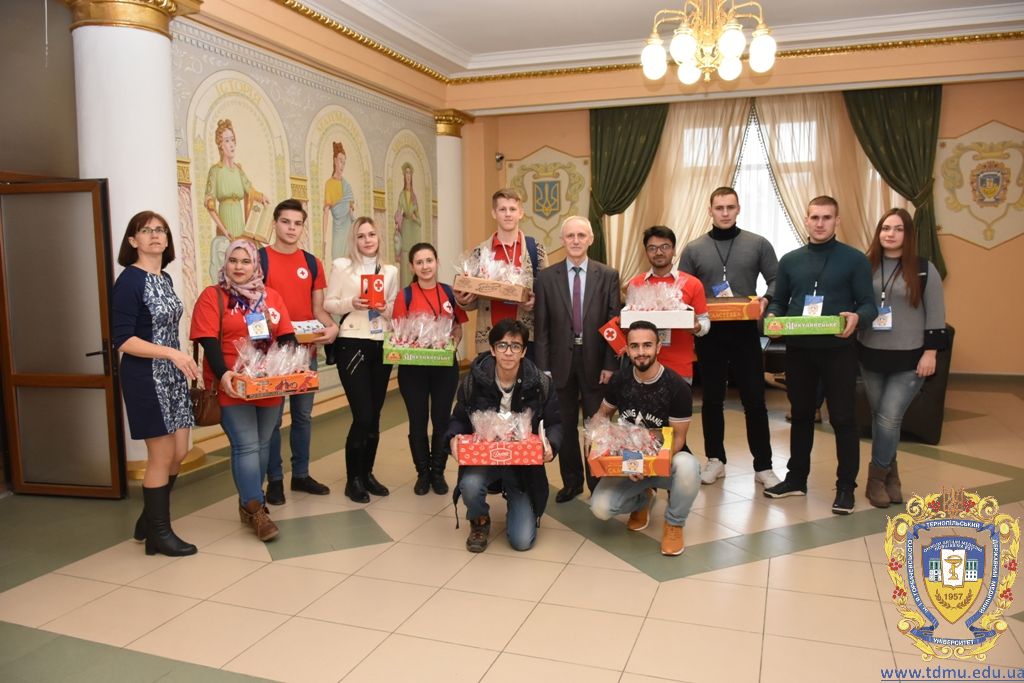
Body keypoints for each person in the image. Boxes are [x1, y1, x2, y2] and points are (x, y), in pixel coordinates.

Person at [764, 196, 876, 514]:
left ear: (837, 221)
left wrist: (857, 318)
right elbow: (779, 302)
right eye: (814, 217)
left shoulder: (855, 260)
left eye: (827, 217)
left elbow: (869, 305)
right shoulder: (790, 260)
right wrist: (772, 318)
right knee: (801, 415)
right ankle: (796, 479)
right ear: (806, 220)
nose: (820, 223)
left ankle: (845, 487)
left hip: (839, 351)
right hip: (799, 351)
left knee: (843, 418)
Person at [190, 240, 297, 542]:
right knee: (247, 445)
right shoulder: (213, 296)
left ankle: (249, 502)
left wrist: (292, 363)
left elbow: (287, 336)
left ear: (255, 265)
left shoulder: (271, 297)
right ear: (225, 263)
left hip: (267, 384)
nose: (239, 266)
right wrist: (224, 374)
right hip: (231, 385)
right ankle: (256, 508)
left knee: (263, 444)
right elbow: (208, 341)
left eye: (245, 261)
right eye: (233, 260)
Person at [678, 187, 781, 487]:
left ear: (738, 209)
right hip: (709, 333)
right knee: (712, 400)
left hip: (746, 332)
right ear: (710, 210)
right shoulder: (694, 248)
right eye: (719, 207)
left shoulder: (758, 243)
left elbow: (776, 279)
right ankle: (715, 459)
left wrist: (767, 299)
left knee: (754, 399)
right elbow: (682, 288)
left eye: (730, 207)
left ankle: (763, 466)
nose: (725, 213)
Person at [112, 211, 199, 557]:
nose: (155, 235)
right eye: (146, 230)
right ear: (133, 241)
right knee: (161, 456)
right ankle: (159, 535)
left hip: (172, 375)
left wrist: (177, 359)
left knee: (179, 453)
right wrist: (171, 353)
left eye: (160, 230)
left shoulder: (164, 278)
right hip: (146, 377)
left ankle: (149, 520)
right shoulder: (129, 281)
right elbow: (123, 340)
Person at [445, 319, 562, 553]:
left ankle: (519, 505)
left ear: (524, 351)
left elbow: (555, 423)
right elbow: (458, 419)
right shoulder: (474, 382)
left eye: (515, 346)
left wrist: (551, 445)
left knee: (521, 542)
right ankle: (479, 520)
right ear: (492, 349)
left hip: (522, 465)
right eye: (502, 345)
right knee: (470, 485)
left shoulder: (539, 383)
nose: (508, 352)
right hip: (485, 458)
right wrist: (453, 438)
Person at [858, 208, 947, 507]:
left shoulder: (924, 269)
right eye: (886, 228)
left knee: (889, 418)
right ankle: (890, 477)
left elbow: (936, 313)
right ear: (879, 232)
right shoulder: (865, 265)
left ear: (908, 235)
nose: (891, 234)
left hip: (910, 358)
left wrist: (931, 353)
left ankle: (874, 480)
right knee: (881, 419)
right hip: (870, 355)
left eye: (898, 229)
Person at [590, 321, 701, 556]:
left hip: (664, 459)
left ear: (658, 347)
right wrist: (596, 439)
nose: (641, 352)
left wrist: (648, 464)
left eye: (647, 345)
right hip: (628, 459)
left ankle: (674, 523)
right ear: (627, 350)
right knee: (600, 508)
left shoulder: (677, 387)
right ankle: (643, 499)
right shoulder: (620, 380)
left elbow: (678, 439)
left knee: (689, 467)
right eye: (635, 346)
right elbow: (602, 415)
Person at [534, 215, 621, 503]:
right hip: (559, 362)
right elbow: (541, 327)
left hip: (597, 361)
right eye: (570, 236)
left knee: (597, 426)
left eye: (581, 235)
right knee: (565, 424)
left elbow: (614, 323)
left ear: (590, 240)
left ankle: (598, 483)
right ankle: (571, 482)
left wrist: (611, 363)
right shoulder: (546, 278)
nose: (575, 240)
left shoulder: (607, 275)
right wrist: (543, 368)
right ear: (562, 240)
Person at [259, 199, 338, 505]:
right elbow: (254, 305)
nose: (291, 228)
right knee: (273, 420)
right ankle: (275, 479)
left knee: (303, 416)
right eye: (285, 222)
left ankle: (301, 475)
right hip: (271, 355)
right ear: (275, 224)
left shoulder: (312, 263)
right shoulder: (260, 259)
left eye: (297, 223)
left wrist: (332, 328)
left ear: (303, 227)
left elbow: (318, 309)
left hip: (305, 354)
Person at [324, 216, 399, 503]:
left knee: (375, 415)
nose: (367, 240)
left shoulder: (390, 271)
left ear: (379, 237)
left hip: (381, 344)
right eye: (361, 236)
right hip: (352, 342)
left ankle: (367, 474)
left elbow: (394, 310)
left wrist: (384, 308)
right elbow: (329, 303)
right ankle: (352, 479)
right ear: (354, 240)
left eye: (371, 234)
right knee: (363, 414)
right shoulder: (342, 266)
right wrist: (351, 303)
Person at [393, 242, 467, 496]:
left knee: (442, 420)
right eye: (419, 262)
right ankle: (422, 474)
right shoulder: (405, 295)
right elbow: (397, 332)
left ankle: (438, 472)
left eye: (429, 261)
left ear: (436, 262)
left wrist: (454, 340)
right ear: (412, 267)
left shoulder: (449, 293)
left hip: (444, 367)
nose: (425, 266)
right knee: (418, 421)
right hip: (413, 368)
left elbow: (458, 326)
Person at [455, 188, 546, 357]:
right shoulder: (480, 252)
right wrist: (463, 300)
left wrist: (535, 302)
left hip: (526, 340)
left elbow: (547, 293)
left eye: (512, 209)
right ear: (494, 213)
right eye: (502, 209)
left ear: (521, 213)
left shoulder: (535, 250)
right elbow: (473, 300)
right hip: (490, 339)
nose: (508, 214)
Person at [627, 226, 709, 387]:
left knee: (678, 404)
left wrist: (697, 327)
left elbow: (705, 321)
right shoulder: (635, 284)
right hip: (642, 367)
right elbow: (628, 324)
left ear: (674, 250)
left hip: (680, 367)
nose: (658, 252)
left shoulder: (692, 283)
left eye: (664, 246)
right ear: (646, 252)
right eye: (652, 248)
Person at [204, 119, 267, 278]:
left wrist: (261, 197)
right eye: (227, 140)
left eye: (233, 140)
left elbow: (250, 190)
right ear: (220, 145)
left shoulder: (239, 170)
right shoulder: (215, 171)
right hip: (225, 226)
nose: (231, 144)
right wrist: (224, 230)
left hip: (241, 226)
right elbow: (210, 204)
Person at [323, 141, 356, 262]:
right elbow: (326, 212)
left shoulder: (347, 185)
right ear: (335, 160)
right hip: (337, 230)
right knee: (337, 260)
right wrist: (324, 239)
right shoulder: (329, 184)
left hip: (348, 229)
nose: (342, 165)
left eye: (344, 162)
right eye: (340, 161)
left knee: (349, 262)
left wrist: (357, 225)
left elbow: (351, 213)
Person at [393, 162, 421, 283]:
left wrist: (415, 218)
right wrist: (397, 220)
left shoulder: (414, 196)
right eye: (406, 173)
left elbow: (419, 221)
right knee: (405, 260)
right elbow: (398, 211)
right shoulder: (402, 195)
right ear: (404, 176)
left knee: (415, 257)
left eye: (409, 173)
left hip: (414, 231)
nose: (408, 176)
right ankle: (405, 288)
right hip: (405, 229)